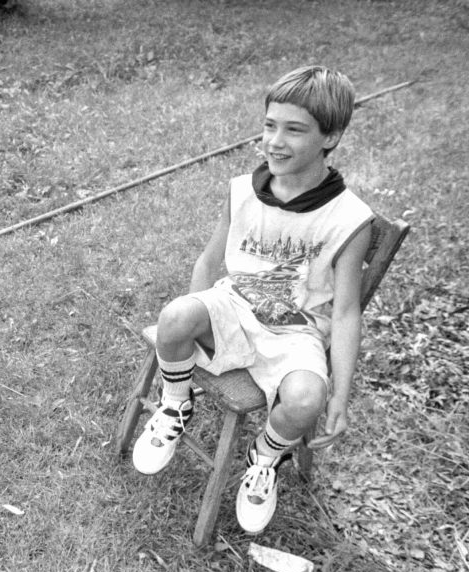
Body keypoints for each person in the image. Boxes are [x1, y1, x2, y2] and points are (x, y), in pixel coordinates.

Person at [132, 66, 373, 534]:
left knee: (305, 401)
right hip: (235, 306)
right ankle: (176, 404)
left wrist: (339, 395)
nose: (275, 142)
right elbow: (208, 262)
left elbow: (345, 313)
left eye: (294, 130)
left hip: (296, 331)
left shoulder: (350, 219)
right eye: (269, 125)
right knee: (176, 315)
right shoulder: (243, 191)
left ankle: (265, 457)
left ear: (332, 136)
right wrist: (193, 314)